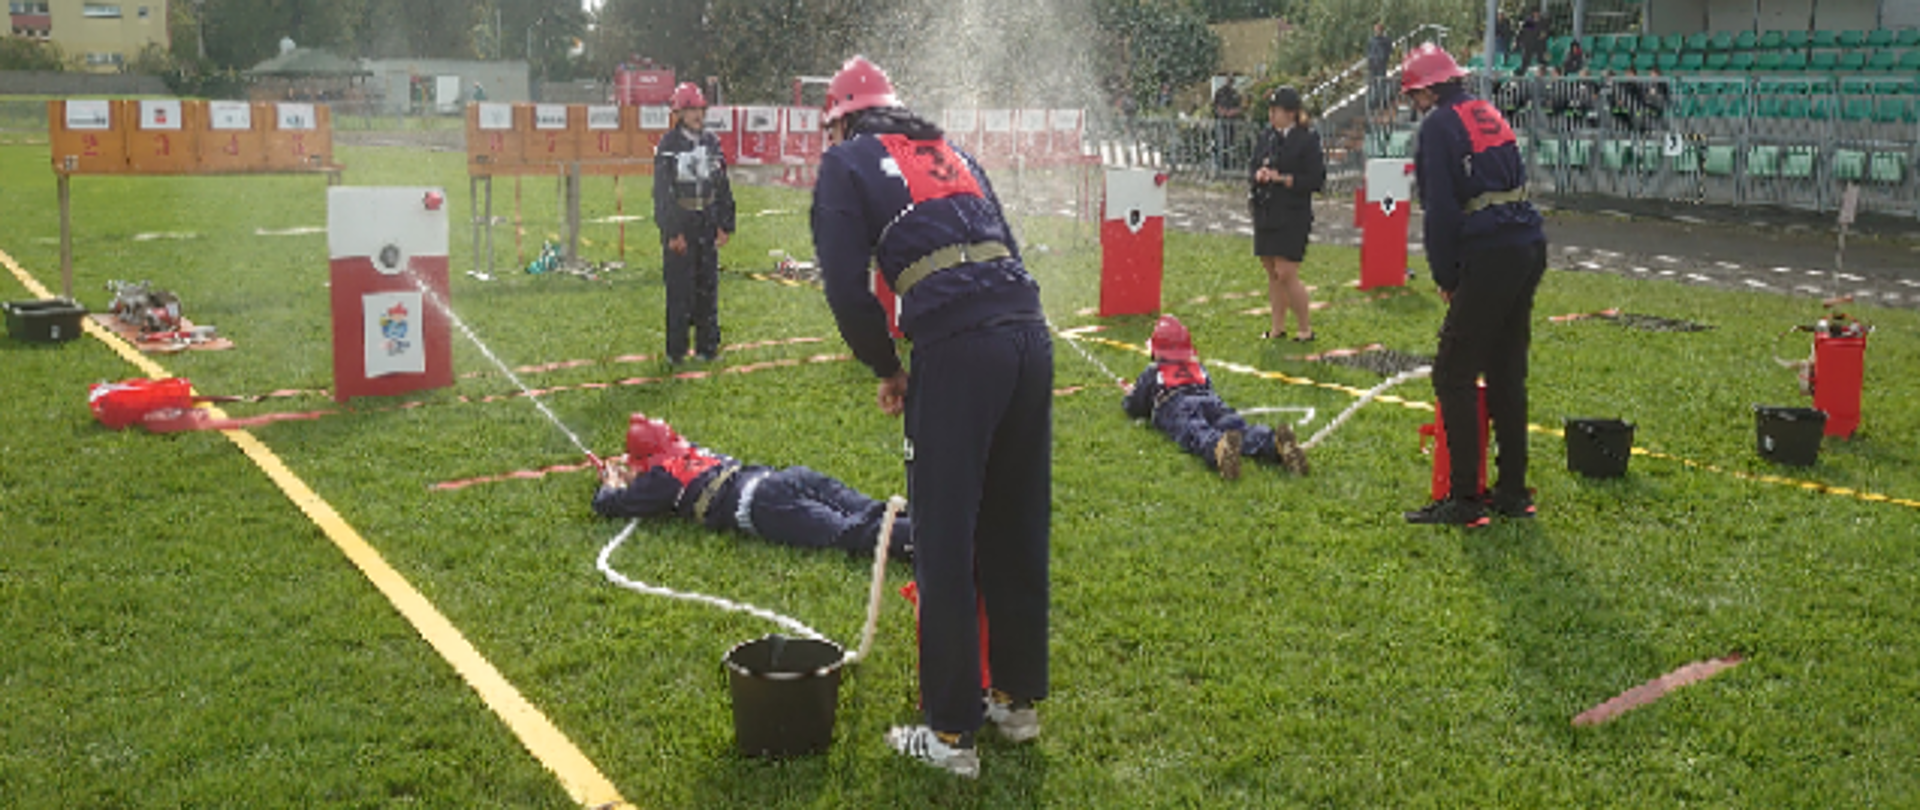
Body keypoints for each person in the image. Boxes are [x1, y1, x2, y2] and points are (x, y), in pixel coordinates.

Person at [809, 55, 1051, 777]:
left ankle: (950, 735)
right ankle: (1015, 702)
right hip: (1029, 336)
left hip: (959, 351)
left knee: (944, 540)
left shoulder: (847, 163)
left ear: (845, 119)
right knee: (1015, 523)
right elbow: (1003, 242)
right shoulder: (955, 152)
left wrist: (887, 366)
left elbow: (848, 289)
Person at [1399, 43, 1547, 527]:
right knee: (1506, 369)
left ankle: (1464, 500)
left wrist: (1446, 274)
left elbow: (1440, 208)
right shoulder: (1484, 110)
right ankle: (1512, 492)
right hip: (1526, 242)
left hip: (1491, 249)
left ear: (1424, 91)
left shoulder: (1438, 126)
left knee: (1453, 373)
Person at [591, 414, 913, 560]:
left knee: (851, 533)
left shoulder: (657, 481)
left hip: (764, 504)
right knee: (869, 508)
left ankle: (932, 545)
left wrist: (613, 480)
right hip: (785, 477)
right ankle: (940, 526)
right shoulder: (692, 452)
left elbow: (607, 503)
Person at [1122, 315, 1309, 479]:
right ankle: (1272, 442)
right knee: (1236, 426)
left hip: (1176, 404)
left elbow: (1136, 407)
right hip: (1210, 400)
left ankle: (1216, 447)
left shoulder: (1153, 371)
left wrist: (1130, 394)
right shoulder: (1199, 368)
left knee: (1194, 429)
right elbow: (1208, 387)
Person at [653, 82, 736, 364]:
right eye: (690, 110)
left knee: (707, 287)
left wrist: (724, 222)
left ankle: (707, 347)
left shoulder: (712, 142)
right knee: (680, 289)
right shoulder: (668, 145)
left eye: (700, 109)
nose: (697, 115)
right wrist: (672, 231)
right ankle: (676, 350)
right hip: (682, 222)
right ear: (679, 113)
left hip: (706, 221)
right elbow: (663, 191)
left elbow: (722, 185)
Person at [1248, 85, 1326, 342]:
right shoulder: (1266, 136)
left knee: (1286, 271)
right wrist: (1258, 176)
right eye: (1270, 110)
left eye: (1276, 110)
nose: (1271, 115)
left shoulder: (1307, 139)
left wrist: (1283, 179)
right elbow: (1252, 166)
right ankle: (1277, 327)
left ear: (1291, 113)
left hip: (1292, 214)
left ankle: (1305, 328)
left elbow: (1316, 179)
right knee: (1271, 270)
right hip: (1266, 210)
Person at [1211, 74, 1244, 173]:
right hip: (1221, 121)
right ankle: (1219, 165)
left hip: (1232, 122)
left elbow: (1239, 108)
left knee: (1230, 143)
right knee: (1220, 142)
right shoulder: (1220, 93)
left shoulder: (1235, 94)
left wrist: (1233, 112)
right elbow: (1215, 106)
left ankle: (1228, 165)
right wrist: (1221, 111)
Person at [1367, 24, 1395, 110]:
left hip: (1381, 64)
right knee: (1373, 83)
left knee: (1381, 83)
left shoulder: (1386, 40)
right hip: (1373, 64)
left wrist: (1384, 58)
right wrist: (1370, 59)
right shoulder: (1372, 40)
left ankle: (1382, 101)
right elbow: (1369, 51)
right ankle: (1373, 102)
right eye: (1376, 30)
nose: (1377, 32)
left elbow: (1389, 50)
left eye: (1378, 30)